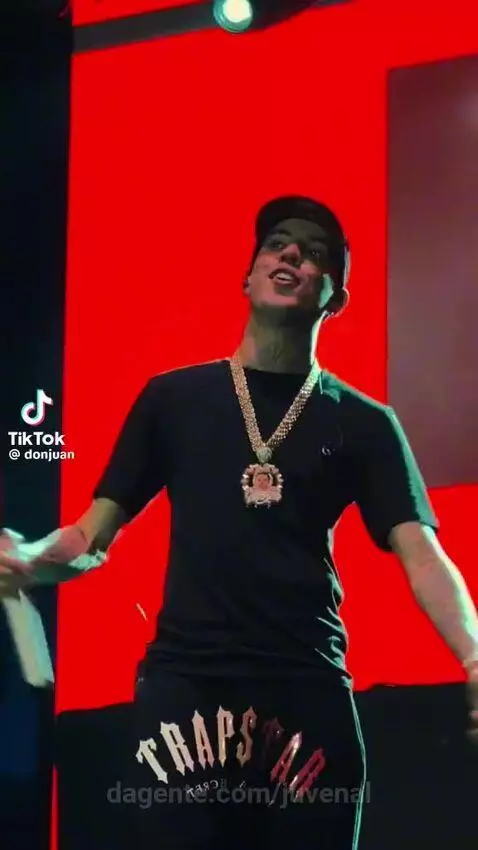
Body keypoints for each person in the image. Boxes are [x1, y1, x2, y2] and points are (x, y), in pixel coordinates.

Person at [1, 195, 477, 850]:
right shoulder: (172, 400)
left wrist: (474, 654)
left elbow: (423, 556)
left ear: (335, 298)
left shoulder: (365, 423)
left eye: (314, 253)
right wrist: (33, 558)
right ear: (247, 278)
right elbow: (89, 537)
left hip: (305, 691)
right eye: (277, 243)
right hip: (185, 694)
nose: (292, 254)